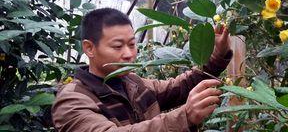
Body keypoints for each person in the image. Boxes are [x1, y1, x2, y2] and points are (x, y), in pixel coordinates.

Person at [51, 8, 232, 131]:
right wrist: (184, 116)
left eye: (132, 44)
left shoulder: (132, 82)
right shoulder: (71, 101)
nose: (129, 54)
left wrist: (216, 55)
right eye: (117, 46)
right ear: (89, 48)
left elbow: (179, 87)